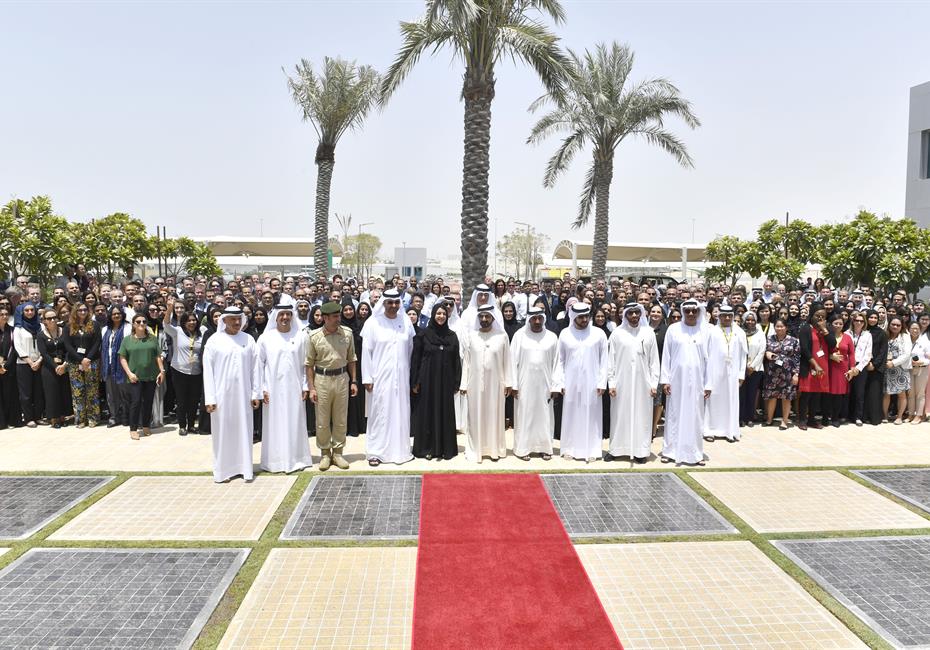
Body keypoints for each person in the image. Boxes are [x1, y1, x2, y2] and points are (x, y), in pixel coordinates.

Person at [202, 307, 262, 482]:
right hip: (221, 397)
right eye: (232, 319)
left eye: (239, 319)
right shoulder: (214, 341)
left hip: (244, 397)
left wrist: (255, 394)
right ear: (224, 320)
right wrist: (210, 398)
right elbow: (208, 372)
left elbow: (255, 369)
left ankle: (245, 469)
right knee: (223, 433)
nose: (237, 323)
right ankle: (223, 471)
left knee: (244, 431)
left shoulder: (248, 339)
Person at [361, 289, 414, 466]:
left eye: (396, 303)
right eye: (390, 303)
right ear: (383, 303)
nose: (393, 306)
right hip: (380, 377)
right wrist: (367, 377)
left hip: (401, 377)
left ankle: (400, 450)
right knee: (380, 413)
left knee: (400, 412)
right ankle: (376, 452)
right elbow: (366, 353)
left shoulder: (405, 321)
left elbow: (410, 349)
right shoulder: (373, 323)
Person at [257, 304, 312, 473]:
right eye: (282, 314)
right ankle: (275, 462)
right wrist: (262, 388)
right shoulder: (266, 338)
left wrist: (305, 385)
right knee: (275, 424)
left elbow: (305, 363)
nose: (285, 318)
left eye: (288, 314)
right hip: (272, 389)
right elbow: (259, 365)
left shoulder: (301, 336)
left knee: (294, 422)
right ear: (275, 317)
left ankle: (297, 460)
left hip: (295, 389)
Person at [660, 300, 713, 466]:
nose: (691, 314)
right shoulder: (673, 329)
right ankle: (670, 451)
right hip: (675, 381)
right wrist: (665, 380)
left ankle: (694, 453)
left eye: (694, 311)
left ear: (699, 312)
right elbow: (666, 356)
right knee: (674, 415)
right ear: (683, 312)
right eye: (688, 311)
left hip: (698, 383)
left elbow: (710, 360)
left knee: (695, 417)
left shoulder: (705, 332)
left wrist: (708, 384)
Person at [553, 303, 608, 463]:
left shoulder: (598, 334)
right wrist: (560, 382)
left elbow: (604, 361)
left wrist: (601, 383)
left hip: (592, 383)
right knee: (571, 415)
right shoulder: (565, 334)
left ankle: (592, 450)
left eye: (586, 316)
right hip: (570, 383)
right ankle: (569, 448)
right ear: (572, 317)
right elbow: (560, 361)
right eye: (580, 317)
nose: (584, 320)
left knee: (592, 416)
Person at [306, 301, 358, 470]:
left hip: (342, 378)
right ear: (325, 318)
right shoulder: (314, 337)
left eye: (339, 315)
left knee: (340, 419)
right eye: (335, 316)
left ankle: (338, 452)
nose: (338, 319)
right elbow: (309, 364)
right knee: (322, 420)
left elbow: (352, 359)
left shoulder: (347, 334)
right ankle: (325, 454)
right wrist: (312, 387)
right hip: (322, 379)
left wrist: (354, 381)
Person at [459, 304, 513, 462]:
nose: (484, 319)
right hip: (474, 384)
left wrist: (508, 383)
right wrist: (463, 384)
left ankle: (494, 449)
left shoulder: (502, 336)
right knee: (475, 416)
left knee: (494, 415)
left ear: (493, 318)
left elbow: (507, 361)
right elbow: (467, 362)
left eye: (487, 316)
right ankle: (476, 449)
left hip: (496, 384)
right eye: (481, 316)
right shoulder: (472, 335)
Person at [606, 303, 660, 463]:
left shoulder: (648, 333)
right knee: (619, 415)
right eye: (631, 313)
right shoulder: (617, 334)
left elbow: (654, 361)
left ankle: (640, 451)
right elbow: (611, 361)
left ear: (642, 314)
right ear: (625, 315)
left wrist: (654, 383)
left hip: (644, 384)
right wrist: (612, 383)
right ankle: (616, 450)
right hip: (621, 383)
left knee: (641, 416)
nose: (634, 316)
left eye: (637, 313)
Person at [411, 302, 461, 460]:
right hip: (427, 382)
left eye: (444, 314)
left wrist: (456, 382)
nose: (441, 316)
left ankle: (444, 448)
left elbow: (456, 361)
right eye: (438, 313)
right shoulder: (423, 335)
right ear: (433, 315)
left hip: (445, 382)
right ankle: (427, 448)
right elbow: (416, 359)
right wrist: (415, 381)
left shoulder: (452, 336)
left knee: (444, 412)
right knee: (427, 412)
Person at [510, 306, 558, 461]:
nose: (537, 321)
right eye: (534, 318)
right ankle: (523, 448)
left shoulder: (551, 337)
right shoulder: (519, 336)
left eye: (540, 318)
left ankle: (545, 448)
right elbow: (512, 362)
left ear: (544, 319)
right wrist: (514, 385)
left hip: (546, 384)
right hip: (524, 384)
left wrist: (556, 386)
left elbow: (557, 363)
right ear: (528, 319)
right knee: (525, 415)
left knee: (544, 416)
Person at [118, 312, 166, 440]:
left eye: (144, 322)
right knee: (136, 402)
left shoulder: (152, 339)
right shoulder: (127, 340)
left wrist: (162, 371)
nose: (141, 324)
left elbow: (157, 356)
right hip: (135, 377)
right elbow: (122, 358)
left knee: (148, 402)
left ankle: (145, 425)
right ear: (133, 324)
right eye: (138, 322)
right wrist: (129, 373)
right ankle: (133, 429)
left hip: (151, 376)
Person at [703, 305, 746, 443]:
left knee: (731, 401)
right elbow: (706, 355)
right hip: (714, 373)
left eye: (730, 315)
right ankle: (710, 430)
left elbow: (743, 356)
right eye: (724, 315)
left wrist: (741, 374)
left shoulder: (739, 332)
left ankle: (730, 430)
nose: (727, 318)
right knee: (713, 401)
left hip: (732, 374)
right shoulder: (711, 331)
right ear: (719, 316)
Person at [163, 299, 203, 435]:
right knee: (181, 399)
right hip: (179, 370)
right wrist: (169, 308)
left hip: (196, 372)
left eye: (194, 320)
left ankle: (191, 425)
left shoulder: (200, 334)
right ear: (184, 322)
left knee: (193, 400)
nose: (191, 323)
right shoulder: (177, 332)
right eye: (189, 321)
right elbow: (166, 323)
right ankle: (182, 426)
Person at [796, 303, 834, 431]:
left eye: (823, 316)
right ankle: (802, 419)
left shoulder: (827, 328)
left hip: (823, 366)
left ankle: (812, 419)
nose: (820, 319)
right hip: (810, 365)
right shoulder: (805, 328)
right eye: (817, 316)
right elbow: (805, 350)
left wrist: (825, 330)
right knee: (806, 394)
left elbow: (832, 344)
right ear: (812, 315)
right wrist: (815, 365)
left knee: (817, 394)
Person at [36, 308, 72, 428]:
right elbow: (44, 354)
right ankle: (54, 418)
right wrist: (56, 366)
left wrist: (64, 365)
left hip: (64, 366)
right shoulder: (41, 335)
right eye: (49, 318)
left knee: (64, 391)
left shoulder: (64, 331)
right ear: (44, 321)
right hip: (49, 368)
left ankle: (63, 416)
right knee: (52, 393)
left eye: (54, 318)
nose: (52, 320)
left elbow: (69, 349)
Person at [762, 318, 800, 429]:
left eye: (782, 326)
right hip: (772, 373)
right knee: (772, 397)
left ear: (786, 328)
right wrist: (767, 354)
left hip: (788, 373)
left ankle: (784, 421)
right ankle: (769, 419)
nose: (779, 328)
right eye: (777, 326)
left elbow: (797, 358)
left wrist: (796, 374)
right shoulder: (769, 339)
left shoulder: (793, 340)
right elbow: (765, 351)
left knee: (786, 398)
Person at [13, 302, 44, 427]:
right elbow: (18, 346)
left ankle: (38, 416)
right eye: (27, 310)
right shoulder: (18, 328)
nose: (30, 312)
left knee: (38, 392)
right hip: (23, 364)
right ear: (22, 312)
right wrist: (30, 362)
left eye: (32, 310)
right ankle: (28, 418)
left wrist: (40, 360)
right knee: (26, 393)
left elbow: (44, 344)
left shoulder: (40, 326)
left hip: (39, 362)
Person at [340, 300, 366, 436]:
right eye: (345, 310)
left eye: (351, 309)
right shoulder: (338, 327)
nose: (348, 312)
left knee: (358, 395)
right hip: (344, 365)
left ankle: (359, 425)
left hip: (360, 364)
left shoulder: (361, 325)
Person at [826, 313, 855, 427]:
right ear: (831, 324)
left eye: (840, 323)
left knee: (838, 394)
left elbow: (851, 354)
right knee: (827, 393)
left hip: (842, 368)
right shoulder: (827, 336)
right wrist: (830, 356)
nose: (838, 325)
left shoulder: (847, 337)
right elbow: (820, 351)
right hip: (828, 366)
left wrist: (852, 368)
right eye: (835, 323)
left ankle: (835, 417)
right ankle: (825, 416)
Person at [739, 310, 765, 427]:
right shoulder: (739, 332)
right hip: (741, 369)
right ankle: (740, 418)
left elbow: (762, 351)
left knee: (752, 394)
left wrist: (752, 366)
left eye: (753, 320)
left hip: (755, 369)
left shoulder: (760, 333)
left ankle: (749, 417)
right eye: (748, 319)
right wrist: (744, 366)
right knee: (741, 394)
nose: (750, 322)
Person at [884, 316, 911, 424]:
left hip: (900, 368)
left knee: (901, 394)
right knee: (886, 393)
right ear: (889, 324)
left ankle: (899, 417)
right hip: (887, 368)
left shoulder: (905, 336)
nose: (895, 327)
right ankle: (885, 416)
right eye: (893, 324)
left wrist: (894, 363)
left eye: (898, 325)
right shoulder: (885, 335)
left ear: (902, 326)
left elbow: (907, 354)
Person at [847, 311, 872, 426]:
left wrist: (858, 368)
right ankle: (846, 415)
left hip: (860, 367)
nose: (859, 323)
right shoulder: (847, 333)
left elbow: (868, 353)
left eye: (861, 321)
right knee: (847, 392)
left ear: (864, 323)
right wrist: (851, 367)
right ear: (853, 321)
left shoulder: (867, 334)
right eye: (857, 320)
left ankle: (858, 416)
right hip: (847, 365)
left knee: (859, 393)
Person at [864, 309, 889, 426]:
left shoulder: (882, 333)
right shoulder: (863, 331)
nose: (873, 320)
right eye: (871, 317)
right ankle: (862, 417)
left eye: (875, 318)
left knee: (874, 393)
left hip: (876, 368)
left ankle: (874, 418)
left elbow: (883, 352)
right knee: (862, 393)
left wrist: (874, 364)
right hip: (862, 366)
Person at [0, 306, 22, 429]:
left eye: (6, 314)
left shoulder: (13, 331)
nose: (4, 316)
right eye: (1, 314)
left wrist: (6, 365)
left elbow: (15, 349)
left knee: (10, 395)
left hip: (9, 368)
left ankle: (13, 420)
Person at [912, 324, 930, 424]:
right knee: (913, 393)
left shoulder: (926, 340)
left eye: (917, 329)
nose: (915, 330)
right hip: (912, 368)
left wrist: (921, 362)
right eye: (913, 329)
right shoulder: (919, 338)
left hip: (923, 368)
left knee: (920, 393)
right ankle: (913, 414)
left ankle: (918, 416)